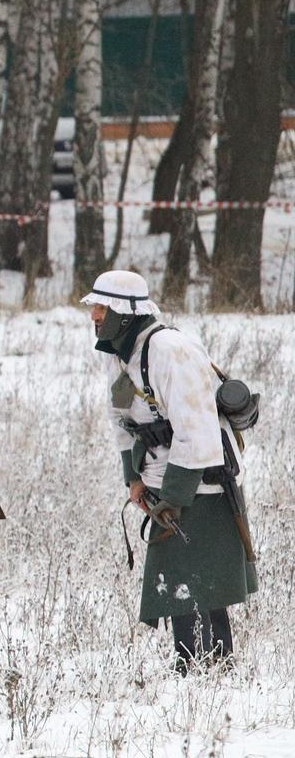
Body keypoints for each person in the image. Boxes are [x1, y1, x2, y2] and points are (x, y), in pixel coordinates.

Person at [82, 269, 257, 669]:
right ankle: (199, 666)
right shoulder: (117, 354)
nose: (94, 316)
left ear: (124, 312)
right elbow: (121, 418)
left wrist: (174, 498)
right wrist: (134, 478)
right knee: (180, 575)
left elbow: (196, 431)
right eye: (92, 307)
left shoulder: (170, 351)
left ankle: (206, 668)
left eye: (100, 307)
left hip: (204, 477)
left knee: (195, 577)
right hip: (163, 474)